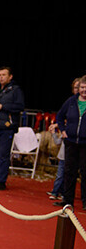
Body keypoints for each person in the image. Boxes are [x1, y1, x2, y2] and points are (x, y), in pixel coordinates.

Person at [0, 67, 24, 190]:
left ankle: (1, 181)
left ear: (10, 76)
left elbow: (20, 106)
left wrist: (3, 106)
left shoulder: (15, 90)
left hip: (7, 127)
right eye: (0, 75)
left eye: (4, 75)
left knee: (3, 155)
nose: (1, 77)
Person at [53, 75, 86, 209]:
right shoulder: (71, 101)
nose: (84, 90)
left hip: (85, 144)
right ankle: (67, 200)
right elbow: (60, 116)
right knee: (69, 172)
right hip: (71, 142)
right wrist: (63, 129)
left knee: (85, 173)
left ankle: (85, 202)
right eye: (82, 87)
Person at [48, 77, 81, 200]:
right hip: (68, 146)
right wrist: (60, 128)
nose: (78, 90)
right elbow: (61, 116)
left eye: (81, 87)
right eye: (76, 88)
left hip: (80, 144)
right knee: (65, 173)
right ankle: (61, 194)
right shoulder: (70, 102)